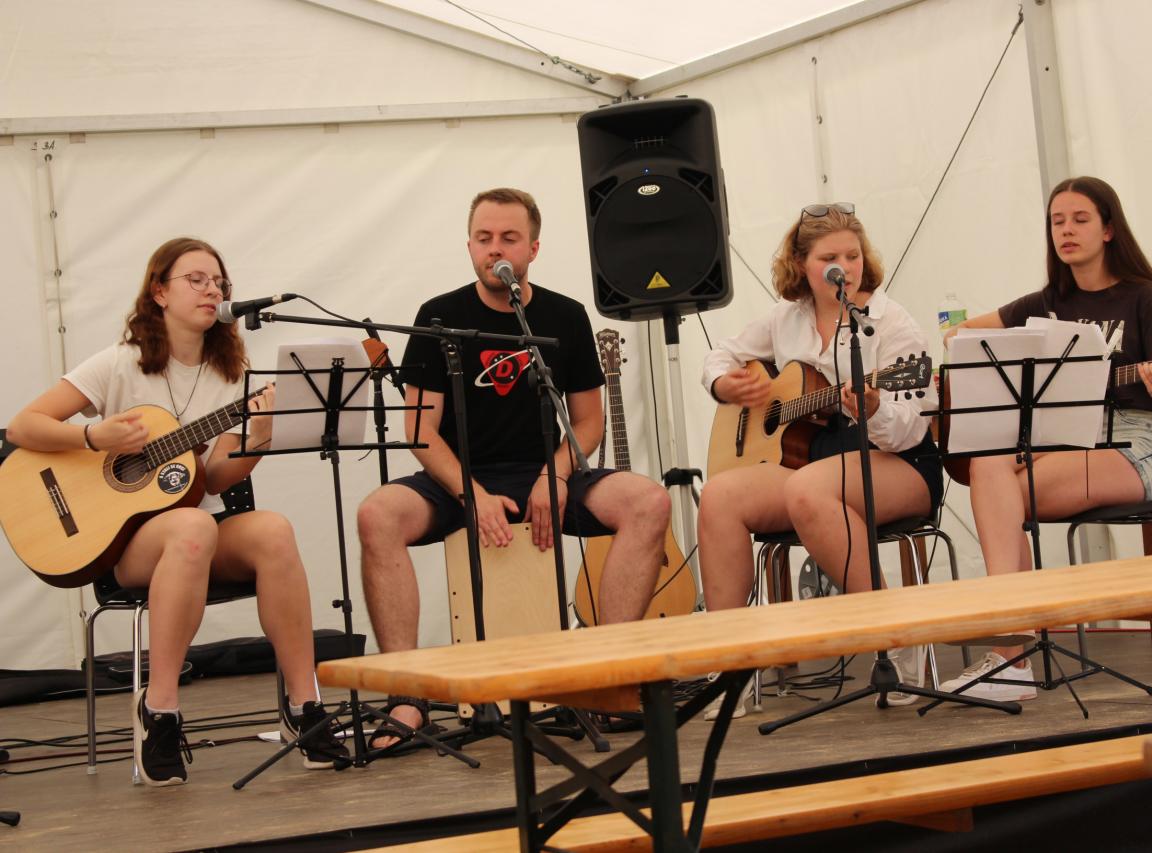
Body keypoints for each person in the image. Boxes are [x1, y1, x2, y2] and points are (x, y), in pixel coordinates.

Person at [5, 237, 347, 786]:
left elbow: (213, 478)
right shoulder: (119, 364)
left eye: (219, 282)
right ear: (159, 292)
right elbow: (24, 426)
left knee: (273, 530)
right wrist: (93, 437)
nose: (213, 290)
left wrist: (259, 436)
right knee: (191, 527)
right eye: (197, 279)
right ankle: (160, 709)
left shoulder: (232, 373)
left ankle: (304, 705)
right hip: (124, 543)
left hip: (197, 527)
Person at [356, 187, 671, 748]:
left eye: (508, 238)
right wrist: (470, 493)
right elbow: (421, 432)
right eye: (483, 238)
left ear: (533, 248)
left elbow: (588, 423)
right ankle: (407, 698)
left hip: (545, 471)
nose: (494, 249)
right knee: (377, 515)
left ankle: (608, 677)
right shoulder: (438, 316)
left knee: (649, 501)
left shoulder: (565, 315)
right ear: (469, 246)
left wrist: (555, 474)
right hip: (459, 477)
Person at [938, 176, 1152, 700]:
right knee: (988, 467)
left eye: (1079, 220)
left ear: (1108, 230)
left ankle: (1009, 652)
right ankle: (1014, 649)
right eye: (1057, 222)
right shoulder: (1048, 302)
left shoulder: (1145, 299)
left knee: (1000, 498)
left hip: (1135, 445)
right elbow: (959, 335)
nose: (1066, 231)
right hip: (1063, 440)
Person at [699, 202, 943, 715]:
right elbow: (721, 354)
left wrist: (873, 408)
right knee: (720, 496)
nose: (844, 268)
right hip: (811, 461)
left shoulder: (891, 322)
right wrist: (725, 384)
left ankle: (896, 636)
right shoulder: (785, 318)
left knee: (807, 490)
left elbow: (910, 428)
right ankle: (732, 662)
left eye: (852, 256)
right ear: (801, 265)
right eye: (830, 258)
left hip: (896, 460)